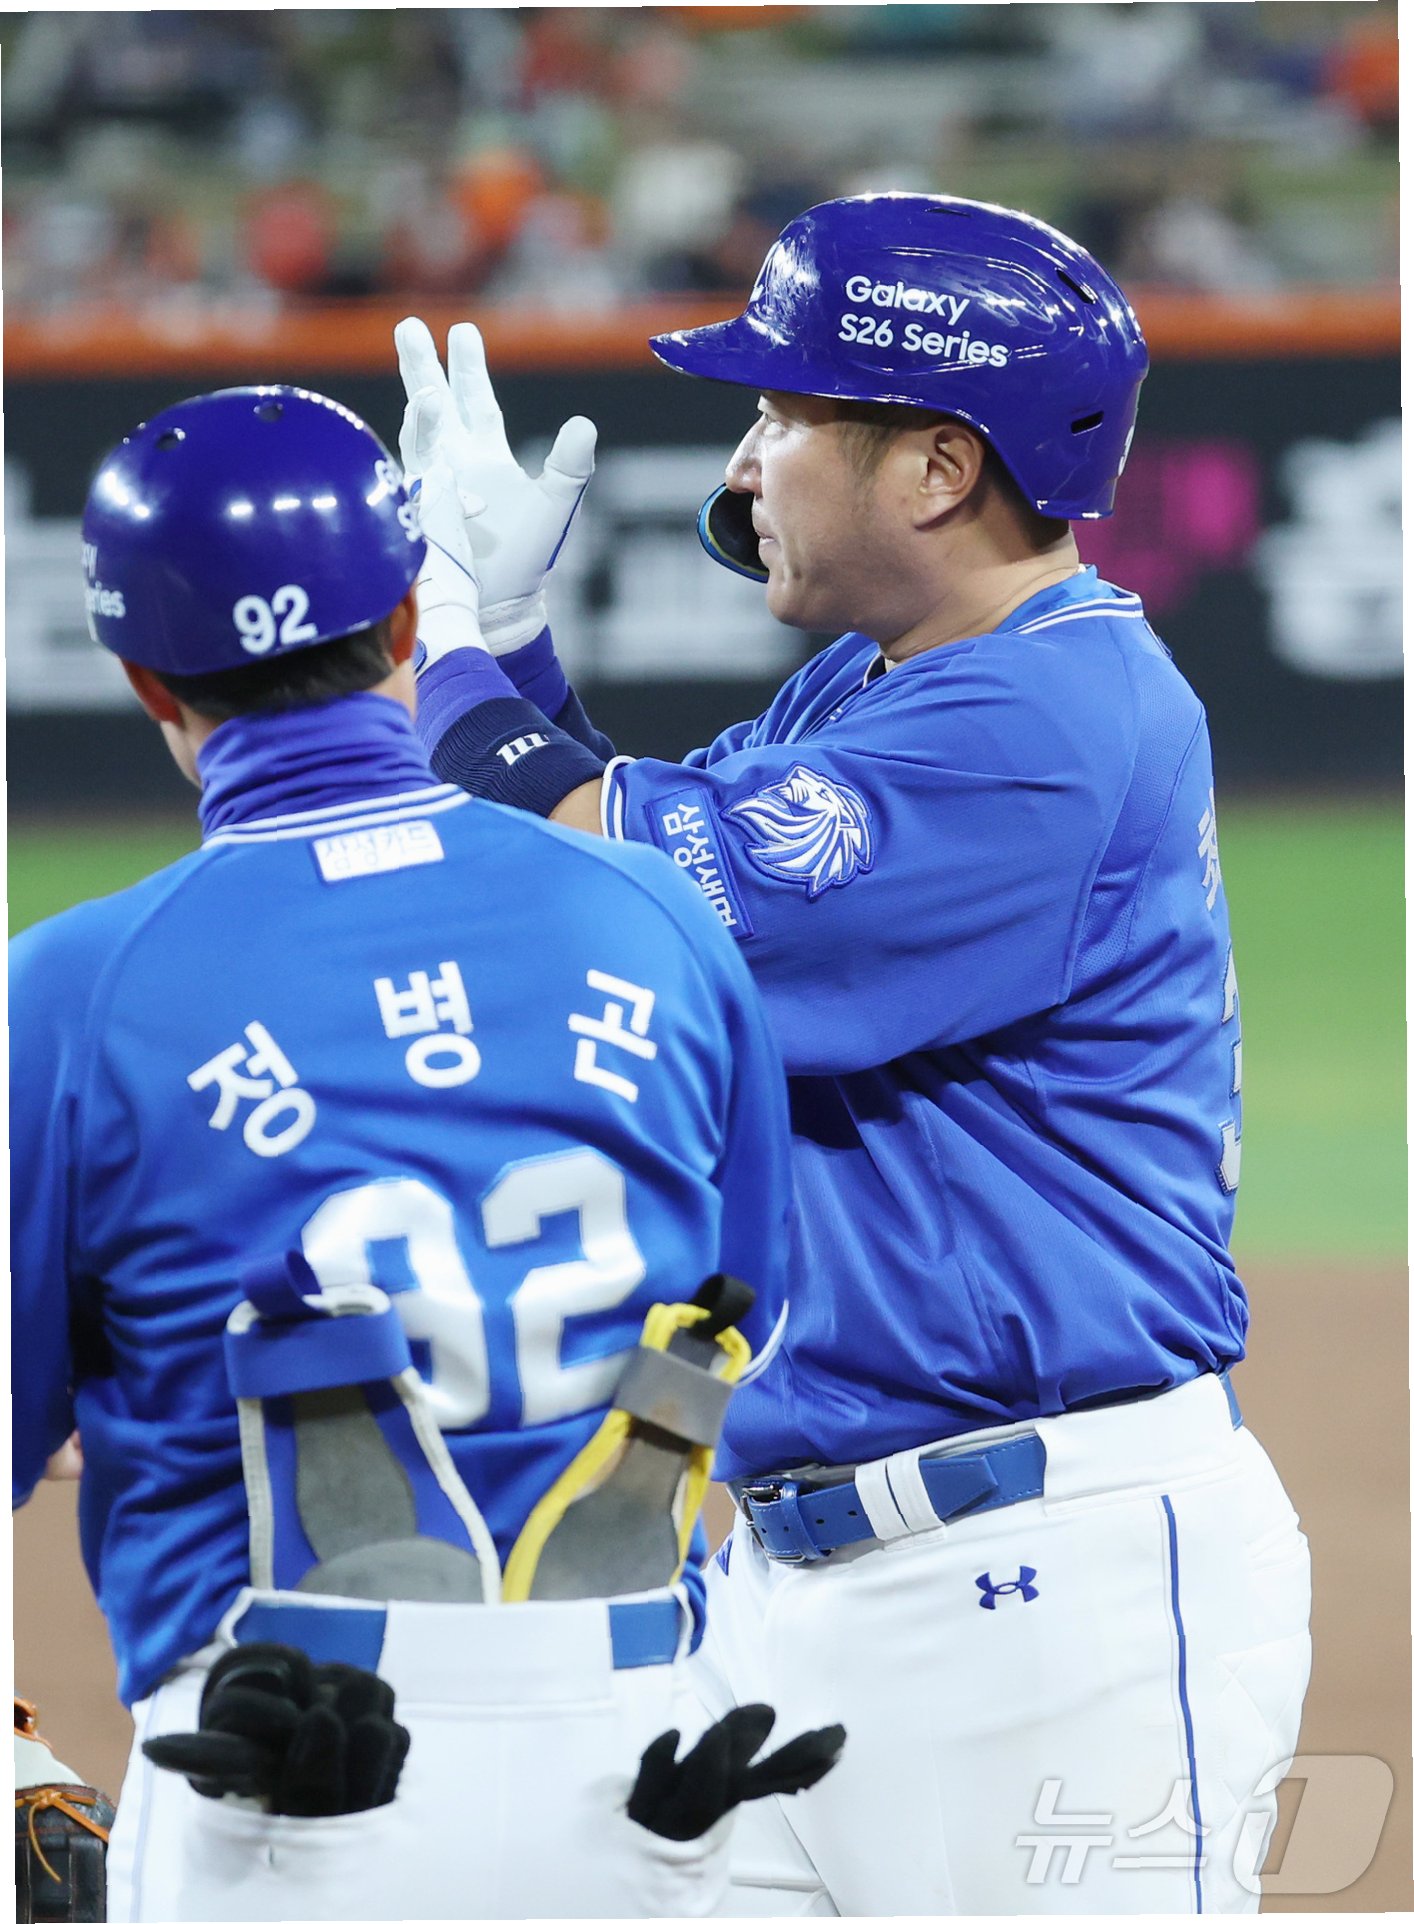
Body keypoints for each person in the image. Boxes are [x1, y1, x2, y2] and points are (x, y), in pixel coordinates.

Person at [394, 190, 1312, 1915]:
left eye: (780, 414)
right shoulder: (885, 686)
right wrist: (508, 655)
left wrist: (450, 649)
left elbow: (628, 877)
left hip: (1048, 1610)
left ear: (938, 468)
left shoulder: (1045, 715)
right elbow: (637, 893)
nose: (743, 466)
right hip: (805, 1593)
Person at [9, 383, 815, 1921]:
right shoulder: (649, 912)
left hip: (287, 1770)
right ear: (401, 622)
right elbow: (744, 1308)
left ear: (141, 677)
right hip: (645, 1763)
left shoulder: (70, 995)